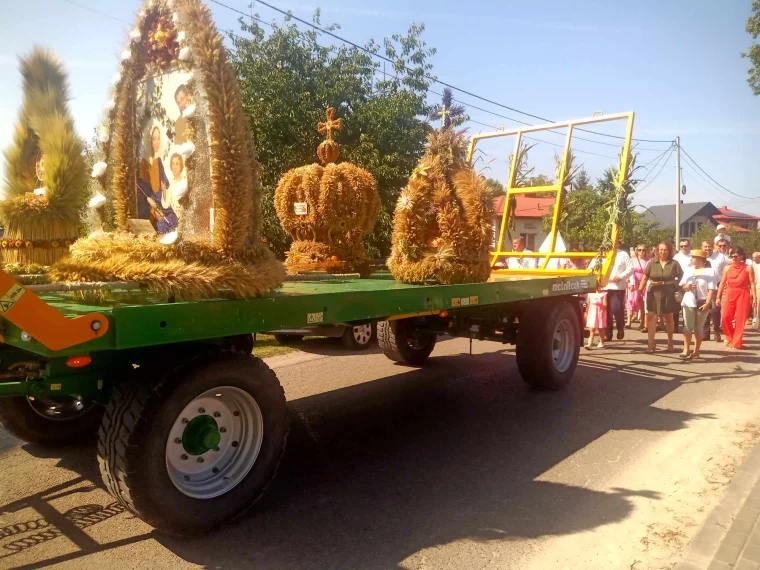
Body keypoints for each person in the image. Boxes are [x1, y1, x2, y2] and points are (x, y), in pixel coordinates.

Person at [639, 241, 683, 353]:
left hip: (669, 292)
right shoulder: (652, 263)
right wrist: (639, 290)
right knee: (651, 317)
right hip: (653, 292)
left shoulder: (674, 264)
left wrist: (676, 286)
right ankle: (650, 344)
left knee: (669, 317)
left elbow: (682, 278)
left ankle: (670, 342)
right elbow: (645, 277)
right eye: (661, 250)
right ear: (657, 251)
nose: (663, 252)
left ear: (669, 251)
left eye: (666, 250)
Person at [717, 247, 757, 349]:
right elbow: (722, 283)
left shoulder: (748, 268)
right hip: (730, 292)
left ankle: (736, 342)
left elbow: (752, 283)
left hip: (743, 292)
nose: (733, 258)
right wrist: (718, 296)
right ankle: (730, 337)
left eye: (736, 256)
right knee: (725, 317)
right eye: (732, 256)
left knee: (740, 319)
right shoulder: (727, 268)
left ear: (741, 256)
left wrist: (755, 298)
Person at [678, 249, 716, 359]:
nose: (692, 259)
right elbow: (682, 286)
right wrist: (687, 287)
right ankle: (686, 349)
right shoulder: (688, 270)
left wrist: (708, 303)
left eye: (694, 257)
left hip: (702, 302)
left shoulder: (709, 271)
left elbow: (711, 289)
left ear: (701, 259)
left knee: (698, 328)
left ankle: (696, 350)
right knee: (687, 327)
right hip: (688, 301)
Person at [137, 125, 169, 226]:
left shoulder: (159, 162)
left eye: (159, 138)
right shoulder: (144, 164)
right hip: (148, 214)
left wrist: (160, 208)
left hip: (161, 209)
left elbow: (164, 186)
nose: (157, 142)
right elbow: (143, 193)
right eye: (154, 139)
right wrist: (152, 210)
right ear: (149, 140)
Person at [604, 247, 632, 342]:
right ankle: (608, 333)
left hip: (617, 287)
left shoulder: (623, 254)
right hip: (604, 286)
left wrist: (621, 276)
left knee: (616, 308)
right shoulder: (602, 253)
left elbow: (630, 269)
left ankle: (620, 327)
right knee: (606, 311)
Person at [702, 239, 727, 342]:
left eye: (709, 246)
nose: (707, 248)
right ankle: (705, 333)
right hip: (703, 287)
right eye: (705, 246)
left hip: (716, 286)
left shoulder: (720, 257)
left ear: (713, 247)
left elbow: (725, 271)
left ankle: (716, 331)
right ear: (701, 247)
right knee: (704, 310)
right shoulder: (700, 257)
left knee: (715, 311)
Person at [672, 238, 692, 333]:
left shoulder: (693, 256)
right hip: (678, 283)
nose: (684, 248)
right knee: (676, 305)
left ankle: (686, 326)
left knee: (688, 305)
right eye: (681, 246)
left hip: (690, 284)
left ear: (689, 246)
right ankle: (675, 326)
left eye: (686, 246)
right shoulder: (676, 257)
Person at [626, 244, 647, 330]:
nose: (641, 252)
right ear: (636, 251)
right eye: (639, 250)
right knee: (631, 301)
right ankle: (628, 321)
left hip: (644, 283)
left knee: (642, 303)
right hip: (634, 283)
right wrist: (629, 280)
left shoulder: (648, 261)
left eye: (643, 250)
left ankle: (642, 322)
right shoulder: (632, 260)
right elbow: (628, 271)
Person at [752, 252, 760, 330]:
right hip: (755, 285)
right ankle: (756, 323)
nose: (754, 259)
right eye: (753, 257)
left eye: (756, 257)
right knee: (756, 304)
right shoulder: (752, 265)